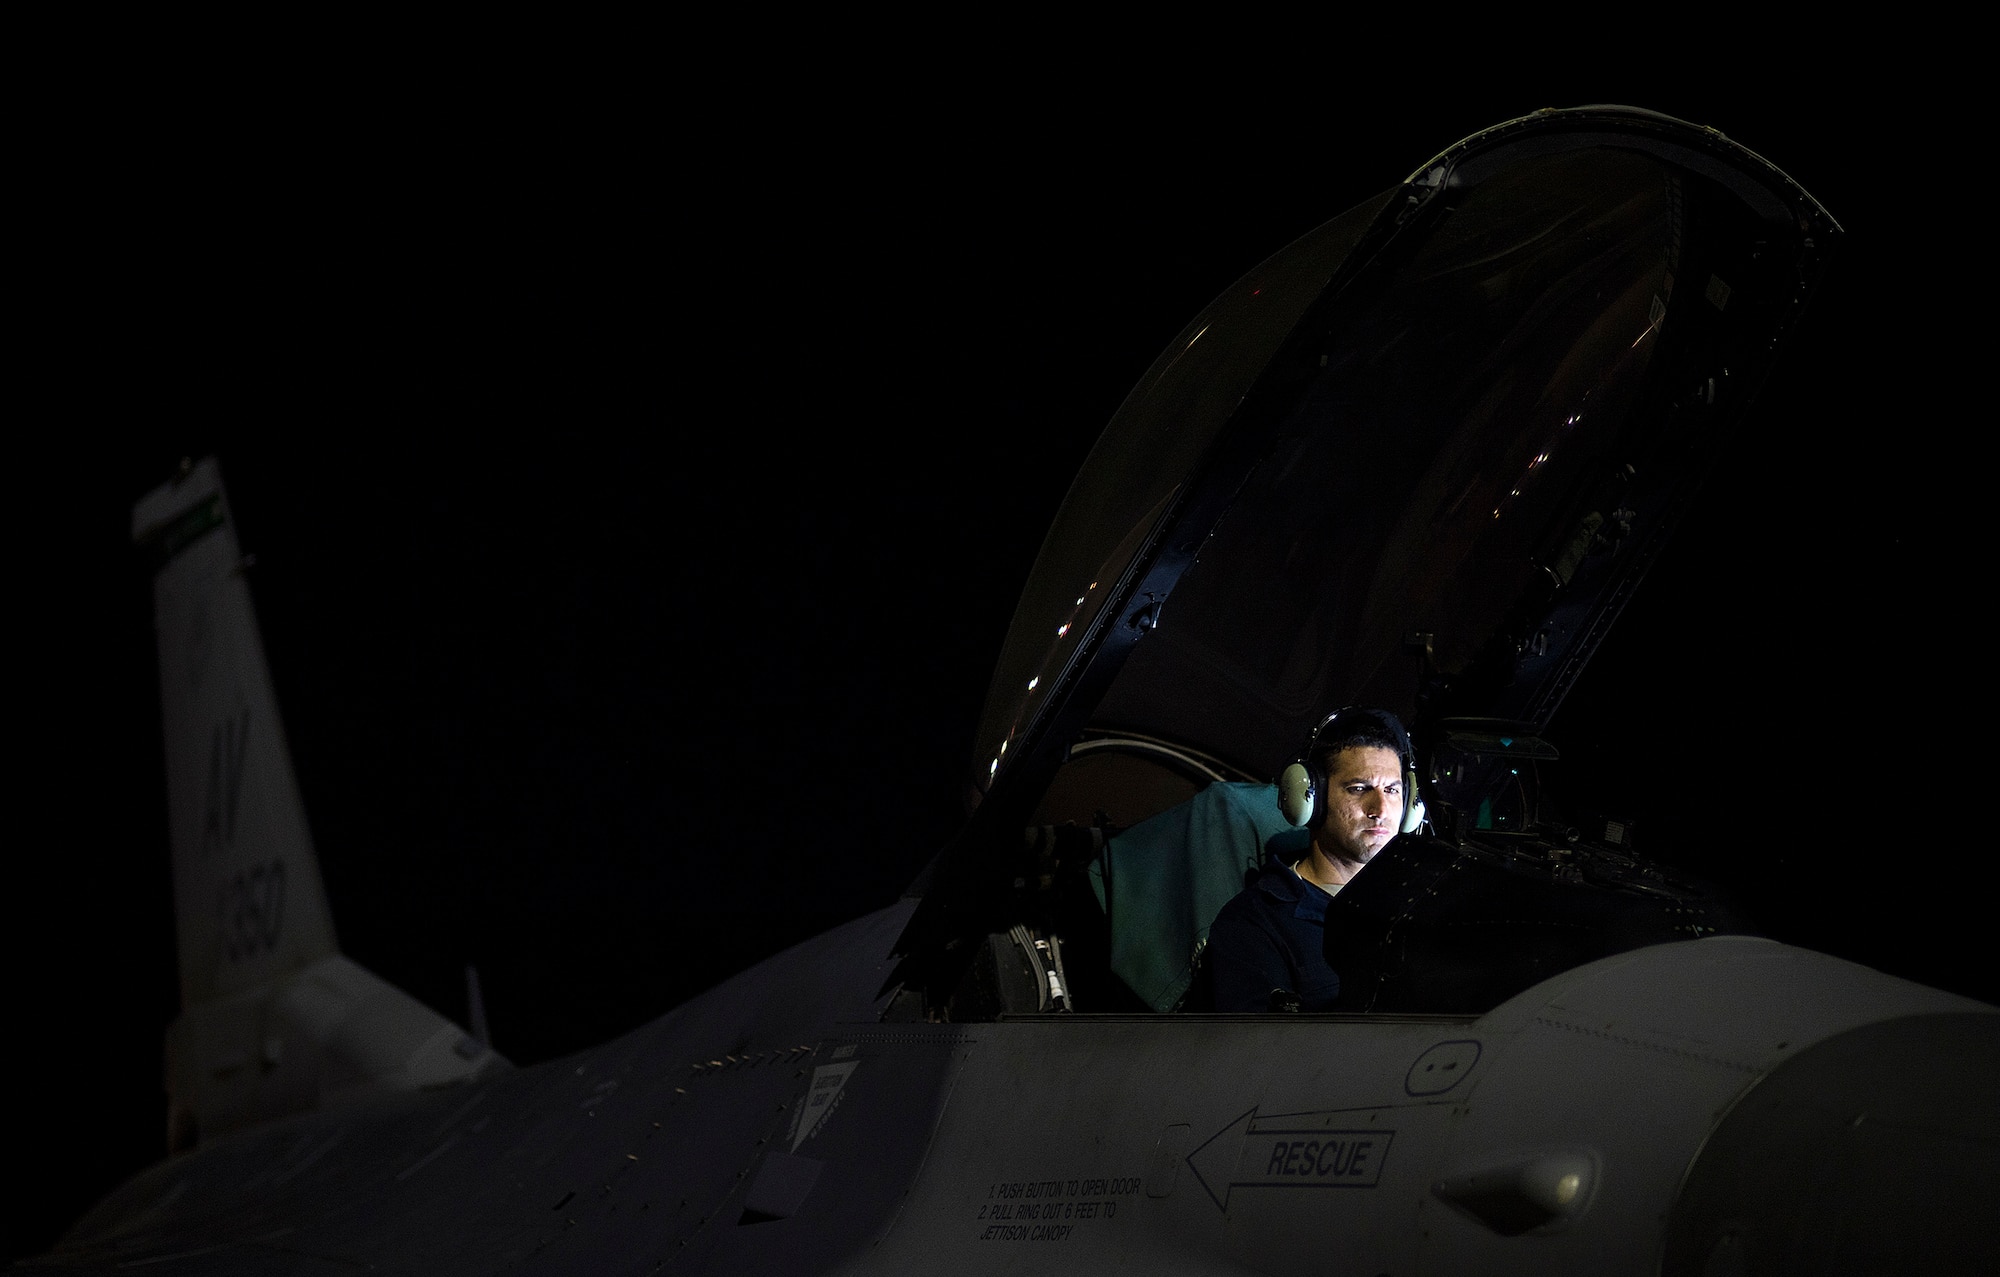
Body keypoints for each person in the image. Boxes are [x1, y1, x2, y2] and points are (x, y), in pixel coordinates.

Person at [1205, 707, 1417, 1012]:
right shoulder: (1254, 924)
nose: (1381, 809)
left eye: (1392, 790)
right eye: (1359, 789)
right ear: (1309, 798)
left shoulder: (1416, 906)